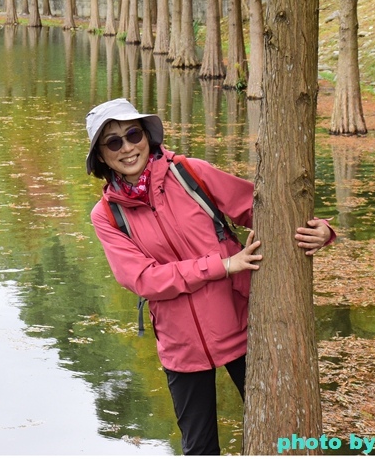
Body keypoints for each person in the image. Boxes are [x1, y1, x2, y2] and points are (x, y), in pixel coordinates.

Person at [84, 98, 334, 455]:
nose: (127, 147)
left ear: (147, 136)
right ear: (102, 157)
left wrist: (322, 229)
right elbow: (143, 279)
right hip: (180, 345)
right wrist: (221, 265)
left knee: (282, 434)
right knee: (199, 449)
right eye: (113, 142)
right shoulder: (106, 215)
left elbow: (261, 209)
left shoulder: (190, 173)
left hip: (241, 327)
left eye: (133, 134)